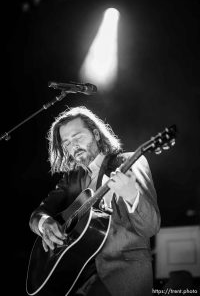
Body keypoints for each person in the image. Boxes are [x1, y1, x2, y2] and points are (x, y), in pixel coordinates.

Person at [29, 106, 161, 296]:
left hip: (122, 277)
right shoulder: (71, 179)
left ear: (96, 134)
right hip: (77, 280)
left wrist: (131, 194)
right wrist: (44, 224)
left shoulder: (128, 162)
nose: (72, 146)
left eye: (77, 137)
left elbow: (151, 227)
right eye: (66, 143)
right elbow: (37, 214)